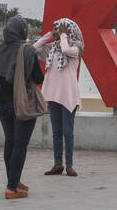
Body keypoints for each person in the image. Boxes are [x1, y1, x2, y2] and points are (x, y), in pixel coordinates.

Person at [0, 15, 44, 199]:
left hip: (3, 103)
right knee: (20, 144)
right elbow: (39, 78)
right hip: (22, 102)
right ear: (23, 31)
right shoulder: (27, 51)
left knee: (10, 142)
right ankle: (12, 187)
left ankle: (13, 179)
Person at [34, 17, 83, 176]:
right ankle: (57, 164)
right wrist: (50, 35)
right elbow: (34, 49)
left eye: (64, 29)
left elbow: (66, 50)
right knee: (56, 132)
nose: (61, 32)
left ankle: (69, 164)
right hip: (54, 95)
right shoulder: (52, 49)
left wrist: (63, 36)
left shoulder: (76, 48)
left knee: (68, 132)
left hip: (68, 96)